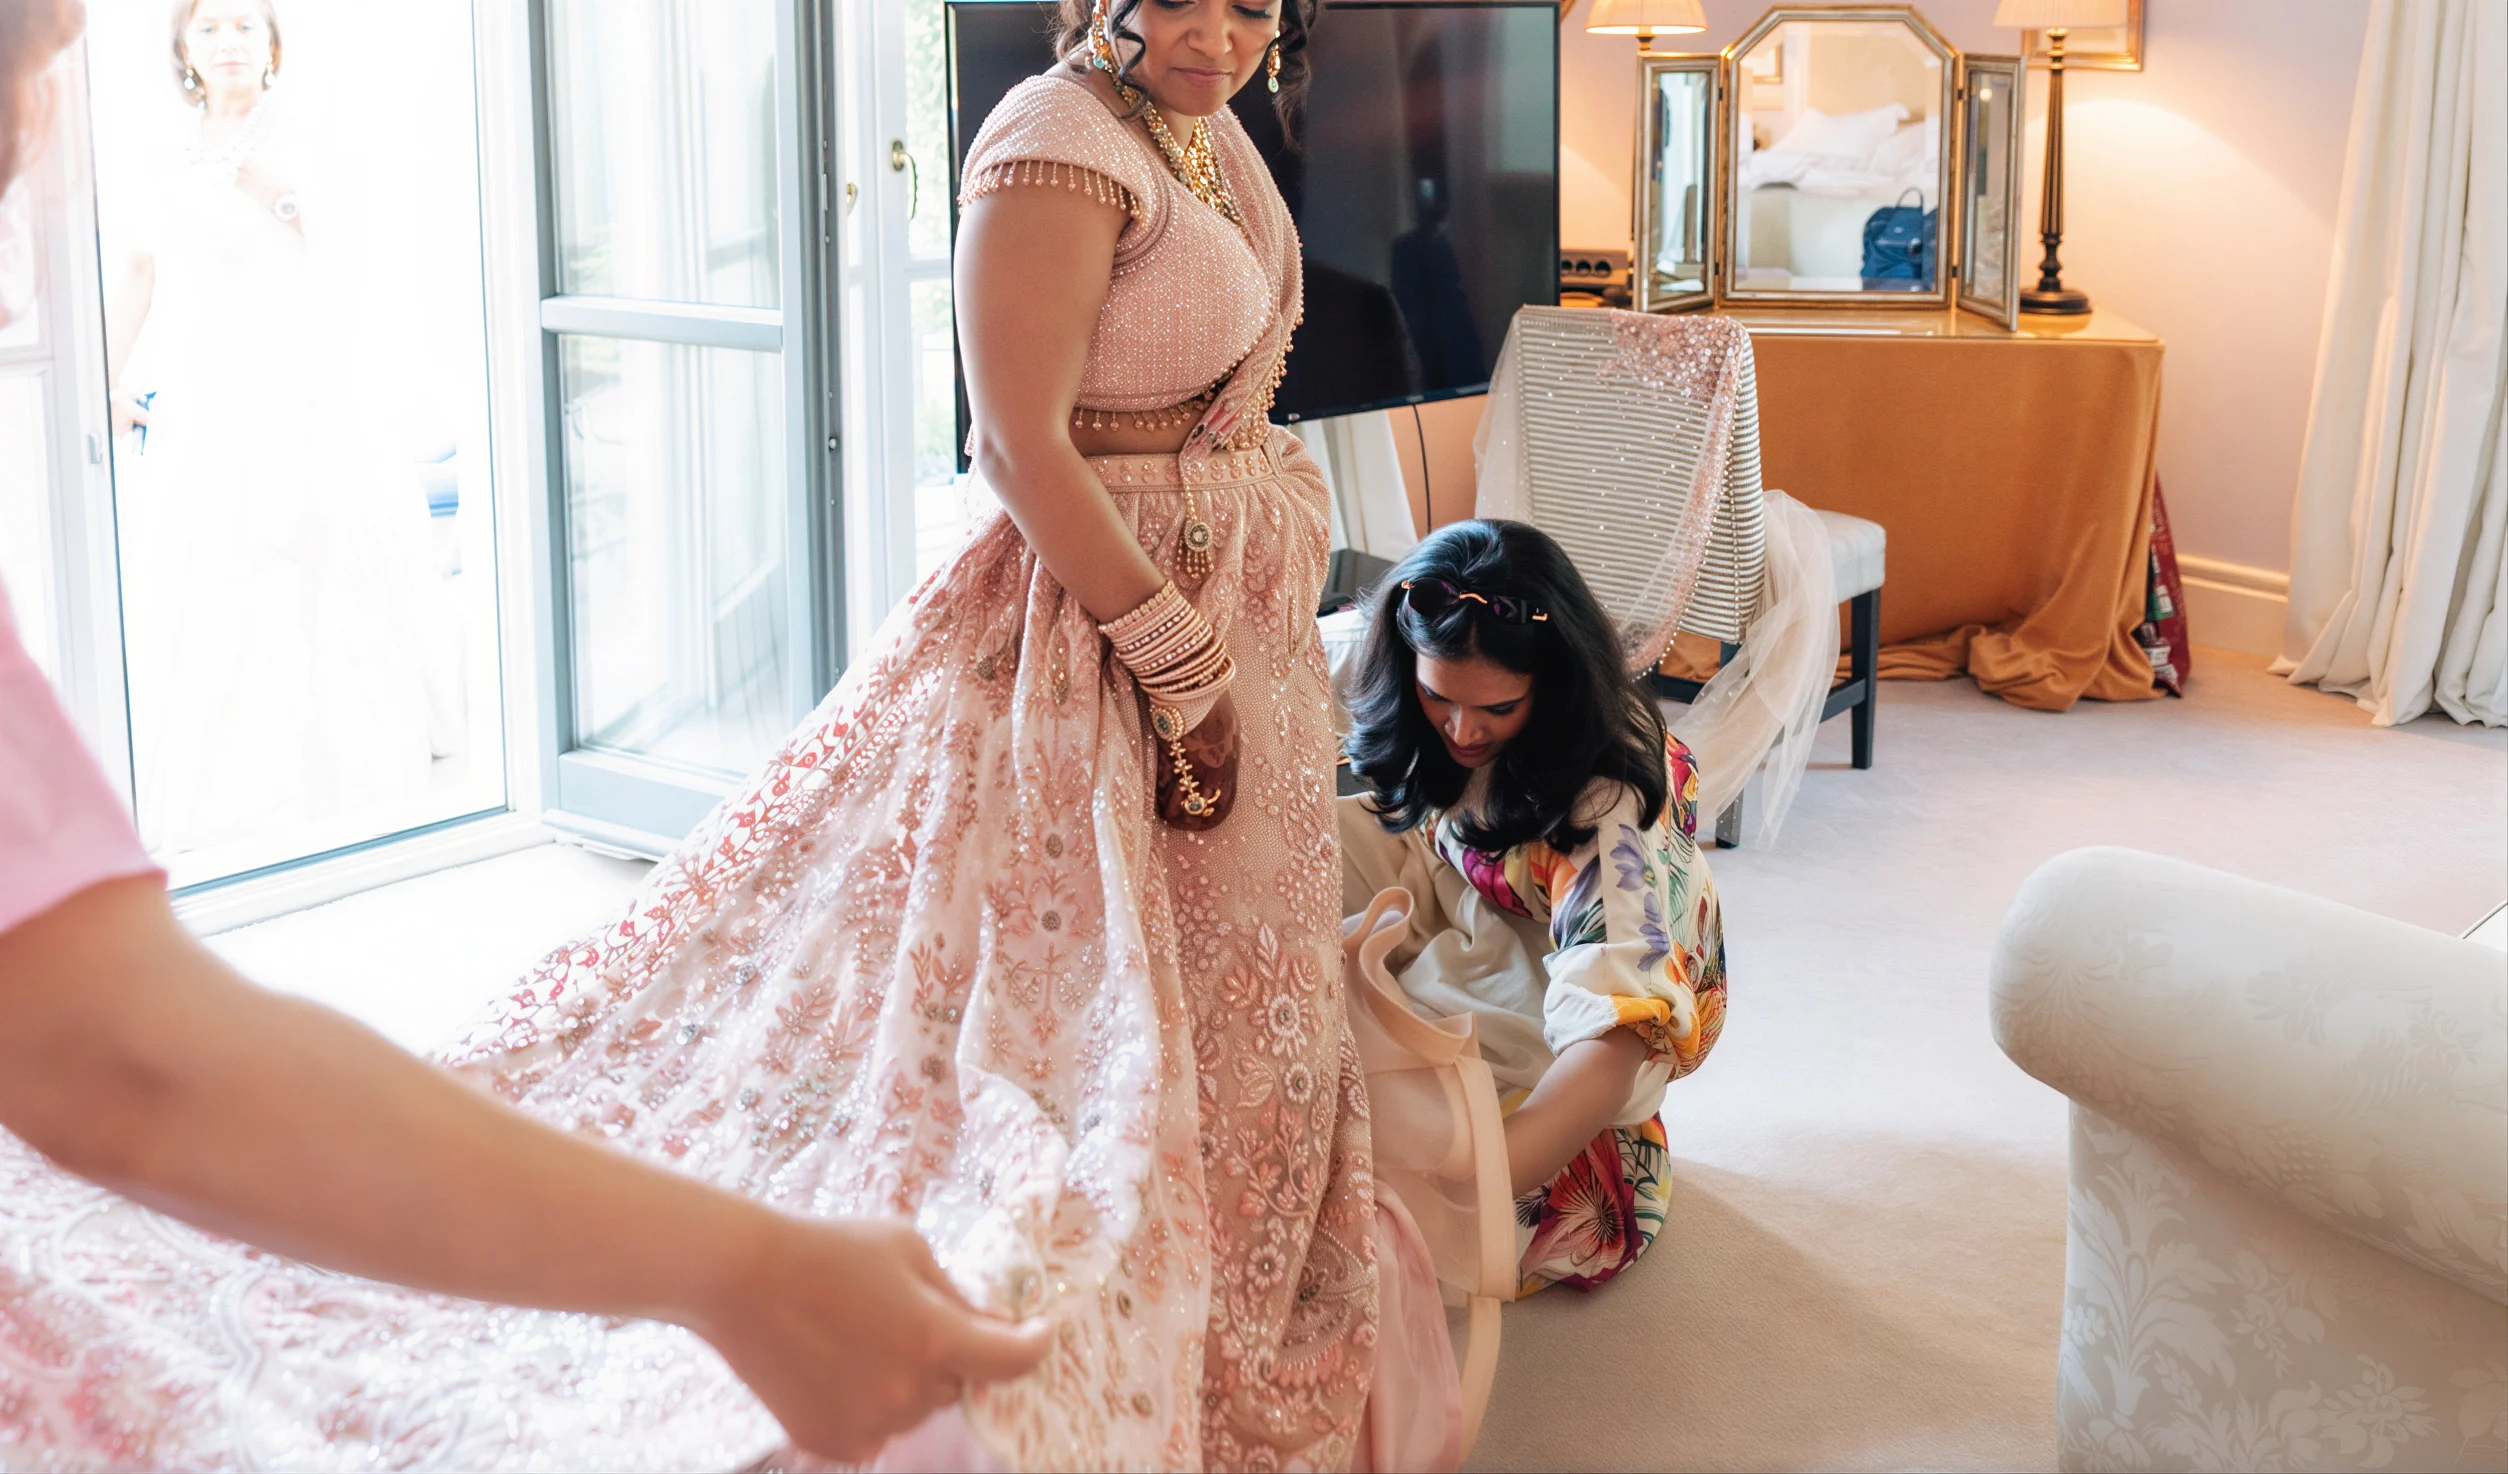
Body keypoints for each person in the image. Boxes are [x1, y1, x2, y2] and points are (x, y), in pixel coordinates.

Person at [9, 0, 1423, 1467]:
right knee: (1042, 1019)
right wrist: (1174, 655)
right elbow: (1015, 439)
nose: (1219, 32)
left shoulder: (1204, 136)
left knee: (1226, 982)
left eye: (1253, 7)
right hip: (1096, 626)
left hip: (1225, 601)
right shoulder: (1055, 142)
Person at [1340, 519, 1729, 1291]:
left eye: (1496, 709)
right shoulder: (1429, 698)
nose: (1459, 728)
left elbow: (1613, 1037)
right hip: (1485, 912)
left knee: (1390, 1193)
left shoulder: (1607, 809)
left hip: (1574, 1006)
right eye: (1435, 696)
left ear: (1552, 687)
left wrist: (1482, 1167)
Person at [104, 0, 437, 861]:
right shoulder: (164, 148)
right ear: (183, 47)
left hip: (297, 383)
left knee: (302, 558)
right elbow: (139, 268)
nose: (229, 43)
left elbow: (362, 257)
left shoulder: (310, 132)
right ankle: (221, 775)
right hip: (201, 391)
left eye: (246, 26)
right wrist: (107, 376)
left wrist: (285, 198)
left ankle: (324, 772)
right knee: (209, 564)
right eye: (210, 28)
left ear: (273, 44)